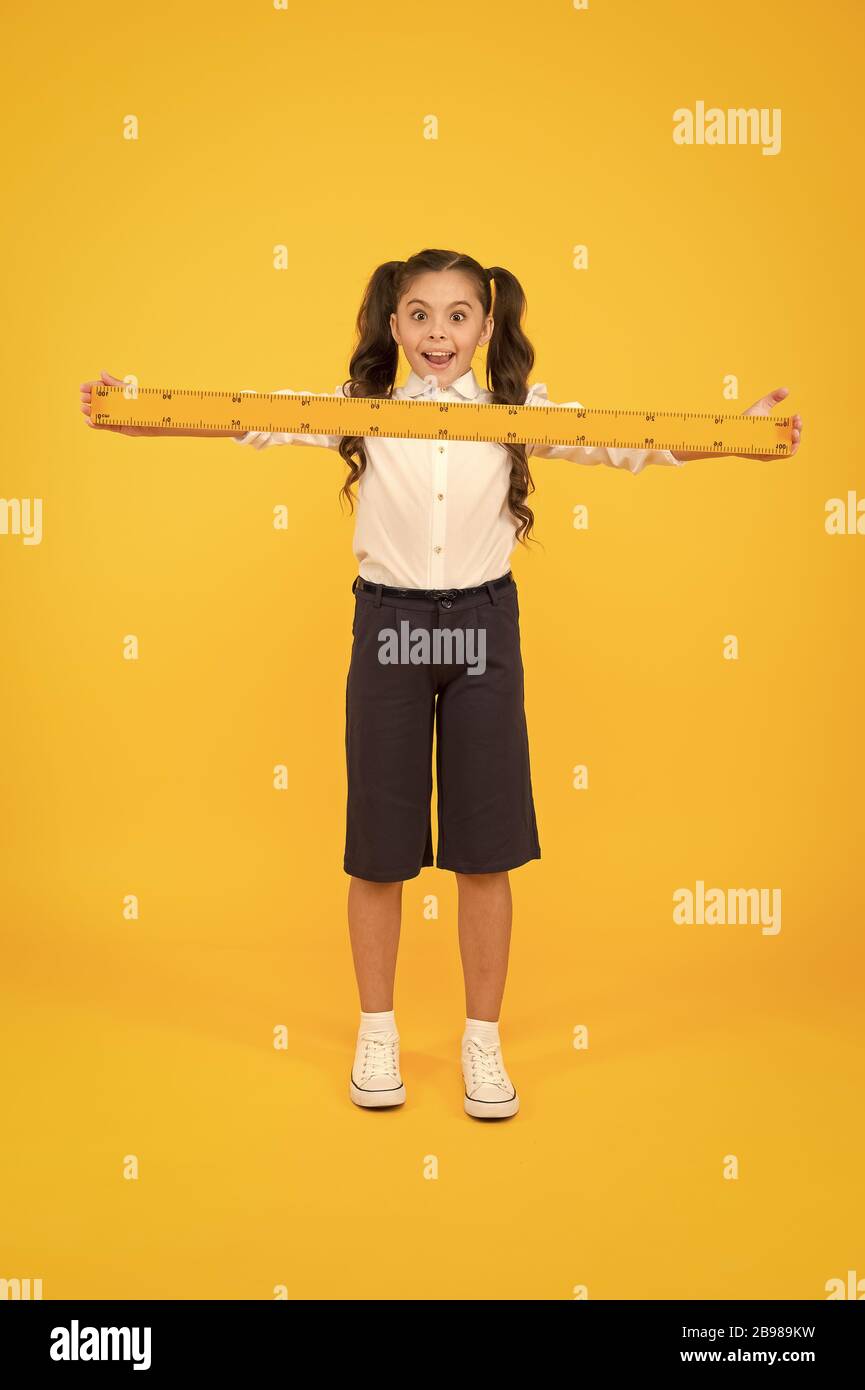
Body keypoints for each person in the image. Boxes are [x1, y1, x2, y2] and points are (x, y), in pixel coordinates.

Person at [79, 247, 803, 1121]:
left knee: (485, 845)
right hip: (387, 623)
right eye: (419, 314)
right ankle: (376, 1032)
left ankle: (481, 1044)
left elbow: (627, 444)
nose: (437, 333)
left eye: (458, 316)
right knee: (378, 840)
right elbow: (250, 420)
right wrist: (133, 416)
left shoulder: (517, 413)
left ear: (486, 328)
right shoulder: (364, 410)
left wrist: (744, 436)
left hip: (481, 629)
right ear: (393, 325)